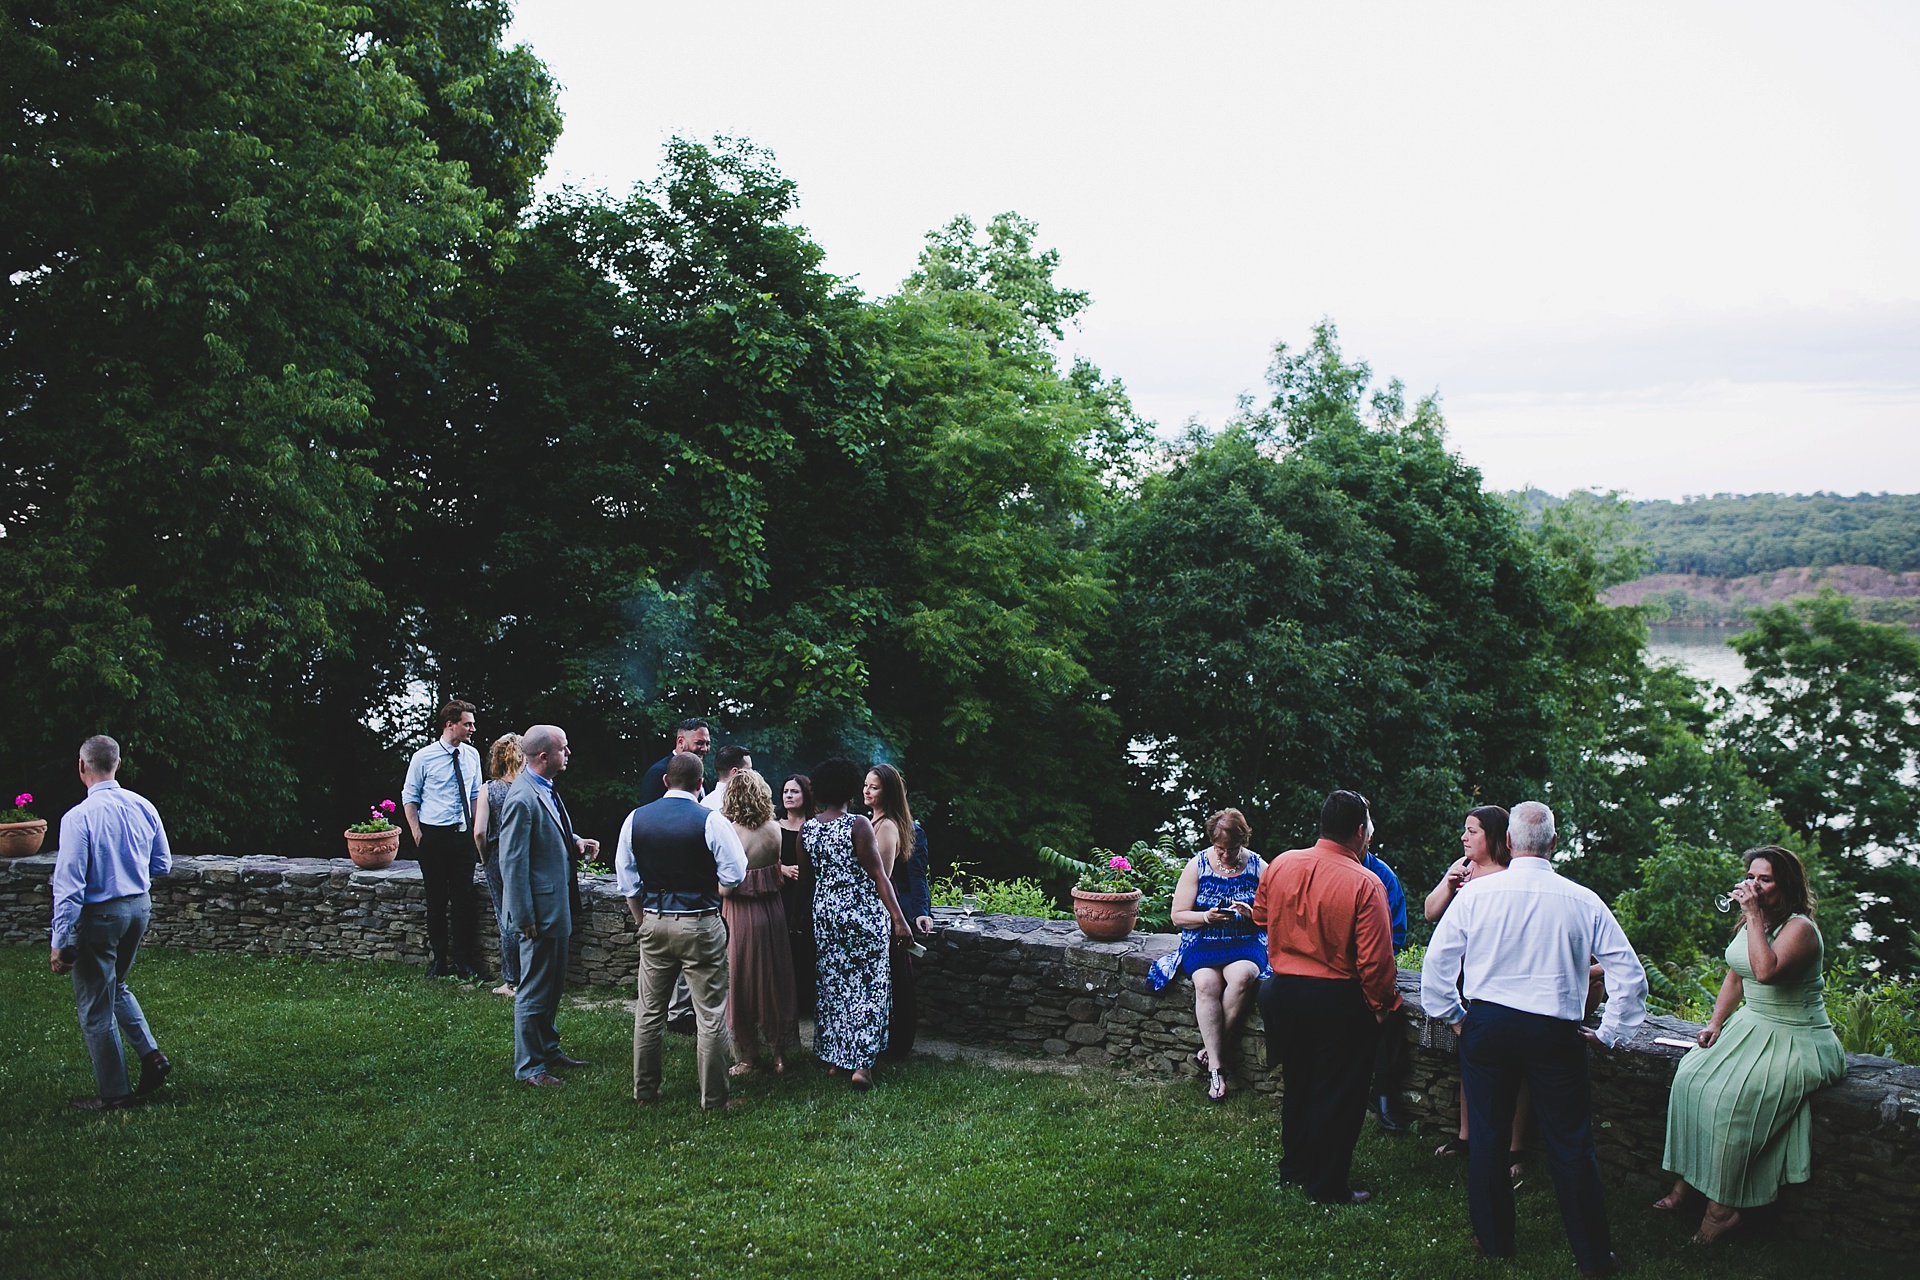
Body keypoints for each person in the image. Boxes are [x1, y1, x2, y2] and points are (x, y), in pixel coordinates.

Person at [1420, 800, 1648, 1277]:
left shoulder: (1478, 895)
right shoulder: (1582, 899)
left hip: (1489, 1026)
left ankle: (1495, 1240)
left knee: (1487, 1135)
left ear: (1507, 843)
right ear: (1554, 844)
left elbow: (1436, 964)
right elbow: (1630, 976)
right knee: (1571, 1144)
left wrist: (1455, 1017)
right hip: (1553, 1033)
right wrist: (1610, 1033)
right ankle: (1592, 1255)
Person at [1656, 845, 1845, 1244]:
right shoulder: (1754, 922)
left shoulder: (1799, 929)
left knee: (1733, 1104)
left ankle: (1721, 1211)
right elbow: (1736, 976)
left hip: (1797, 1037)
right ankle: (1685, 1184)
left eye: (1766, 879)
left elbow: (1765, 970)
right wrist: (1715, 1023)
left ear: (1786, 885)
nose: (1754, 886)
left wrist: (1753, 914)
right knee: (1690, 1079)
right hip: (1751, 1025)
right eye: (1752, 877)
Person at [1253, 790, 1401, 1204]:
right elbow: (1376, 963)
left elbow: (1261, 916)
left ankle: (1295, 1168)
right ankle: (1327, 1186)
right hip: (1337, 999)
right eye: (1369, 829)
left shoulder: (1281, 863)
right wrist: (1380, 1007)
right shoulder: (1366, 883)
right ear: (1359, 831)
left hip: (1282, 992)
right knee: (1339, 1095)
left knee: (1298, 1083)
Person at [49, 735, 173, 1109]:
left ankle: (115, 1093)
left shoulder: (78, 818)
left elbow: (69, 887)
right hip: (138, 908)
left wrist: (59, 941)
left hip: (100, 916)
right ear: (118, 763)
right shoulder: (143, 806)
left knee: (94, 1007)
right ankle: (152, 1056)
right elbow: (163, 864)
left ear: (82, 766)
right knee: (116, 985)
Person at [617, 752, 747, 1110]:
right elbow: (735, 873)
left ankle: (645, 1092)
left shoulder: (635, 819)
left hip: (655, 921)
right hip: (701, 922)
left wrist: (643, 919)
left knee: (649, 1011)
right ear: (700, 783)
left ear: (665, 781)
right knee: (710, 1013)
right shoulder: (711, 820)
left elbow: (627, 881)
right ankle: (714, 1099)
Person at [1421, 805, 1530, 1164]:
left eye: (1472, 831)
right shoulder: (1464, 868)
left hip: (1501, 978)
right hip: (1462, 978)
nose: (1464, 837)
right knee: (1469, 1060)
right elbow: (1431, 912)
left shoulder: (1514, 874)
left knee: (1514, 1069)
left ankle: (1513, 1147)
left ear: (1495, 837)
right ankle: (1466, 1137)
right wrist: (1448, 882)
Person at [498, 724, 600, 1086]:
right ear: (544, 757)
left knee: (553, 984)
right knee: (535, 987)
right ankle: (529, 1067)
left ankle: (548, 1048)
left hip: (555, 906)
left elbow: (546, 832)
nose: (568, 754)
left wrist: (574, 840)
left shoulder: (543, 789)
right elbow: (511, 862)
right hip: (537, 914)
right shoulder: (522, 798)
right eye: (564, 748)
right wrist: (523, 915)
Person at [1149, 808, 1271, 1102]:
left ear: (1244, 841)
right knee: (1206, 985)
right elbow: (1178, 916)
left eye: (1232, 849)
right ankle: (1216, 1067)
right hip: (1202, 940)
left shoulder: (1259, 867)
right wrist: (1206, 918)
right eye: (1220, 849)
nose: (1226, 856)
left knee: (1243, 977)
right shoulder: (1197, 865)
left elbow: (1275, 916)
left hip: (1245, 940)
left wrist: (1252, 913)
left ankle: (1212, 1048)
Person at [807, 757, 912, 1091]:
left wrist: (799, 919)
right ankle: (862, 1066)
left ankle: (837, 1059)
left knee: (834, 986)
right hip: (861, 914)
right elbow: (879, 875)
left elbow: (808, 879)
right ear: (851, 788)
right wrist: (899, 919)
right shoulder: (857, 825)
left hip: (825, 915)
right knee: (868, 987)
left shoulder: (809, 828)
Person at [718, 769, 799, 1075]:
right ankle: (780, 1055)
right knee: (773, 981)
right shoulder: (774, 829)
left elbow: (727, 886)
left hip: (742, 915)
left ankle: (749, 1058)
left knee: (743, 982)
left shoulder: (733, 833)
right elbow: (774, 868)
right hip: (772, 911)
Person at [401, 700, 485, 977]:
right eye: (467, 723)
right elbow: (410, 796)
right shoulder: (423, 757)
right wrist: (416, 832)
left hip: (463, 838)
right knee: (436, 900)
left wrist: (476, 831)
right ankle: (438, 960)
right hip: (433, 837)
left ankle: (463, 962)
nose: (473, 728)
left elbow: (475, 796)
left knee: (463, 901)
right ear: (450, 724)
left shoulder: (472, 755)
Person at [865, 764, 933, 1061]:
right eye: (865, 785)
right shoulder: (868, 822)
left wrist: (921, 911)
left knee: (895, 975)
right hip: (879, 906)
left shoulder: (903, 827)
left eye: (874, 787)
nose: (866, 790)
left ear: (888, 792)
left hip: (894, 907)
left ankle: (895, 1039)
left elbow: (915, 875)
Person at [1360, 844, 1410, 1130]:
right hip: (1328, 965)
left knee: (1391, 1012)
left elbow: (1396, 935)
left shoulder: (1383, 876)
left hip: (1370, 963)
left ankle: (1383, 1094)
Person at [472, 733, 526, 997]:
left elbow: (480, 832)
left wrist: (483, 857)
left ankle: (512, 980)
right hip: (526, 856)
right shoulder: (528, 787)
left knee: (506, 918)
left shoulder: (489, 789)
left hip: (497, 857)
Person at [777, 774, 818, 1013]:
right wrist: (782, 869)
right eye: (785, 791)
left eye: (795, 791)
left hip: (810, 894)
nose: (789, 796)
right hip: (782, 893)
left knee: (808, 946)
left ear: (806, 794)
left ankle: (806, 1001)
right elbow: (760, 858)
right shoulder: (774, 825)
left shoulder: (815, 825)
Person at [640, 718, 712, 805]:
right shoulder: (658, 773)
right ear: (681, 742)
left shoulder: (697, 770)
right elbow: (650, 812)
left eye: (707, 744)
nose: (705, 749)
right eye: (699, 743)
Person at [703, 744, 753, 812]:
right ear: (735, 772)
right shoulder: (748, 803)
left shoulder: (705, 804)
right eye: (749, 769)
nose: (752, 774)